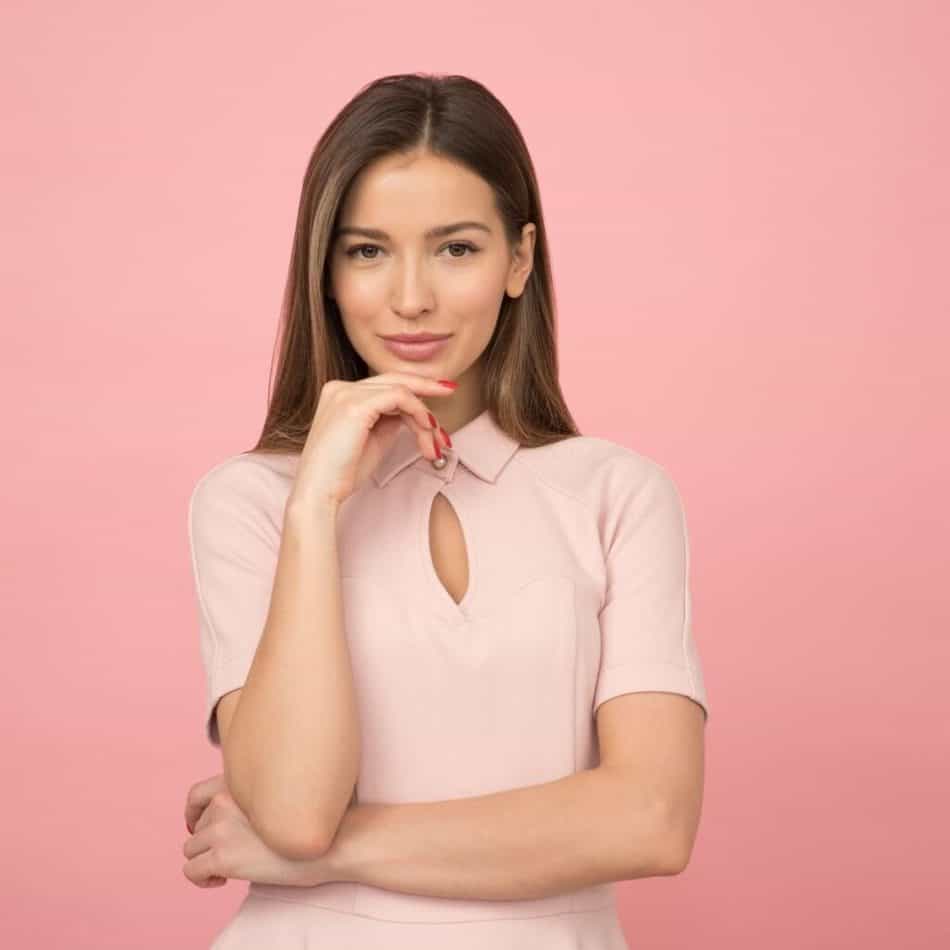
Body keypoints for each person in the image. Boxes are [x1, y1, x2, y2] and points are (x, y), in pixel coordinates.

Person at [182, 71, 710, 949]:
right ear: (325, 270)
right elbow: (293, 809)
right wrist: (316, 503)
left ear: (521, 260)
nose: (412, 296)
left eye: (456, 248)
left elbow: (651, 819)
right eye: (367, 250)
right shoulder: (252, 502)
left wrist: (321, 858)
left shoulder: (618, 494)